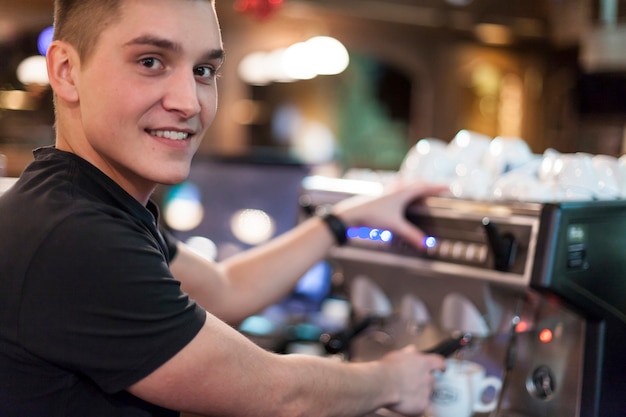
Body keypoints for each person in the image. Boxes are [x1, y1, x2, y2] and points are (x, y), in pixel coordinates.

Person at [0, 0, 447, 415]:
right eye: (150, 62)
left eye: (203, 69)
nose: (188, 102)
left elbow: (222, 290)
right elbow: (278, 394)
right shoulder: (76, 237)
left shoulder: (82, 202)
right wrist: (393, 380)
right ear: (66, 71)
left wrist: (344, 220)